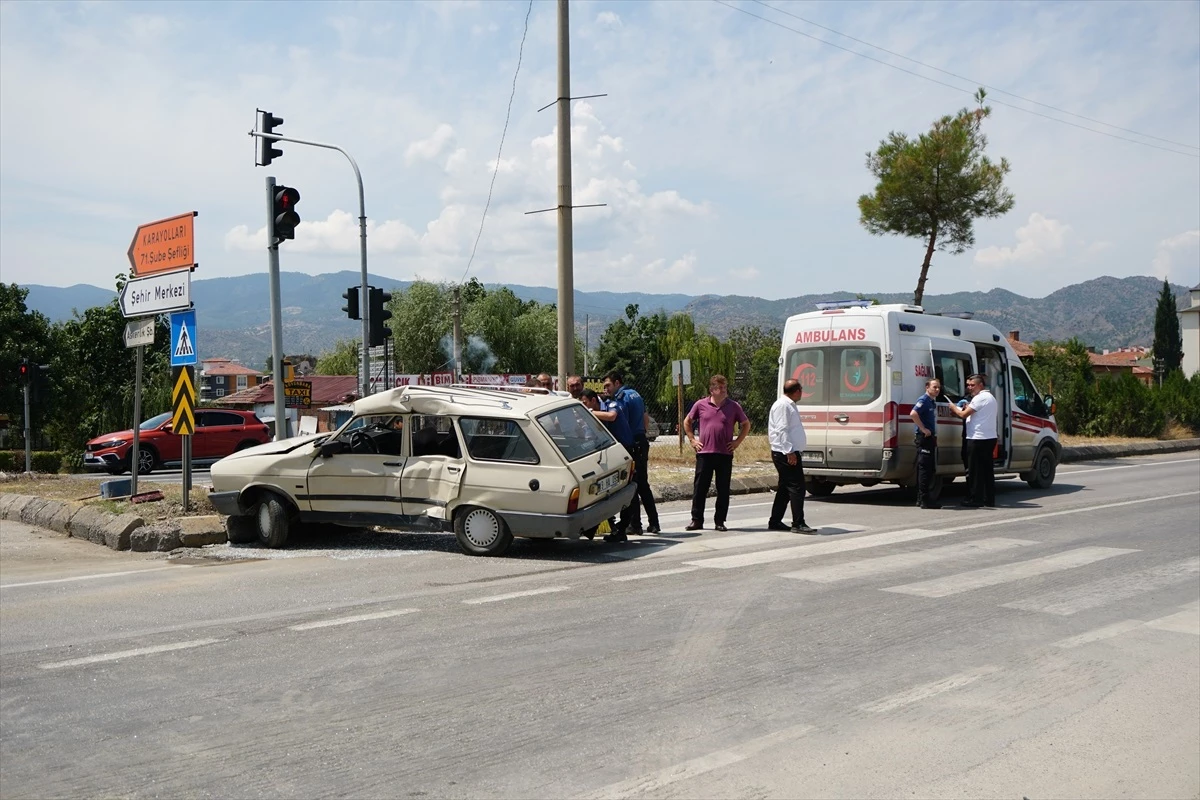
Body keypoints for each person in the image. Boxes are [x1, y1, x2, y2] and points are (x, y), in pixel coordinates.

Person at [683, 374, 750, 532]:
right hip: (705, 452)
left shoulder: (733, 406)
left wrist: (737, 442)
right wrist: (692, 439)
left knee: (723, 488)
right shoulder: (700, 404)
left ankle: (720, 520)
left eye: (725, 387)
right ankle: (696, 519)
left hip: (724, 453)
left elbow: (746, 424)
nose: (723, 390)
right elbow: (687, 422)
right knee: (700, 487)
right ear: (711, 390)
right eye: (719, 388)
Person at [603, 370, 661, 535]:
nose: (606, 389)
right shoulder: (635, 394)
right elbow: (645, 417)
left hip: (632, 444)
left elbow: (621, 422)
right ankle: (654, 523)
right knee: (643, 485)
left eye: (608, 385)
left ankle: (635, 524)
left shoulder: (621, 398)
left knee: (632, 485)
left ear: (617, 383)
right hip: (641, 441)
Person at [582, 388, 635, 542]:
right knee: (604, 490)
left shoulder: (611, 404)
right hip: (607, 455)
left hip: (625, 452)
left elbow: (612, 416)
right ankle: (610, 526)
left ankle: (624, 527)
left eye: (585, 403)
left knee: (628, 491)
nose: (584, 406)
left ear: (593, 400)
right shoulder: (592, 414)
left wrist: (586, 412)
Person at [767, 379, 818, 534]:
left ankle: (775, 520)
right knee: (797, 487)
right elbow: (782, 430)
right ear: (797, 391)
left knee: (785, 488)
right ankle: (798, 523)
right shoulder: (783, 405)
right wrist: (789, 451)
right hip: (785, 452)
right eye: (801, 389)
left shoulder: (788, 404)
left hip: (787, 451)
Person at [949, 373, 997, 507]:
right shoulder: (990, 397)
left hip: (977, 438)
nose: (969, 387)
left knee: (974, 470)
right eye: (968, 385)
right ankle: (989, 498)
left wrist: (953, 408)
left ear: (980, 385)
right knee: (987, 470)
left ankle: (975, 499)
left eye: (972, 385)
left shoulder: (979, 398)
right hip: (988, 437)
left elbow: (963, 414)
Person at [910, 378, 943, 509]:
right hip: (924, 438)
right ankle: (925, 499)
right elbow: (913, 414)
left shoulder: (931, 402)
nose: (937, 389)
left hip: (930, 439)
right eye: (934, 387)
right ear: (927, 387)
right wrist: (923, 429)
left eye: (938, 387)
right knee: (925, 469)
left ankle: (920, 498)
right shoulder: (923, 400)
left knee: (929, 469)